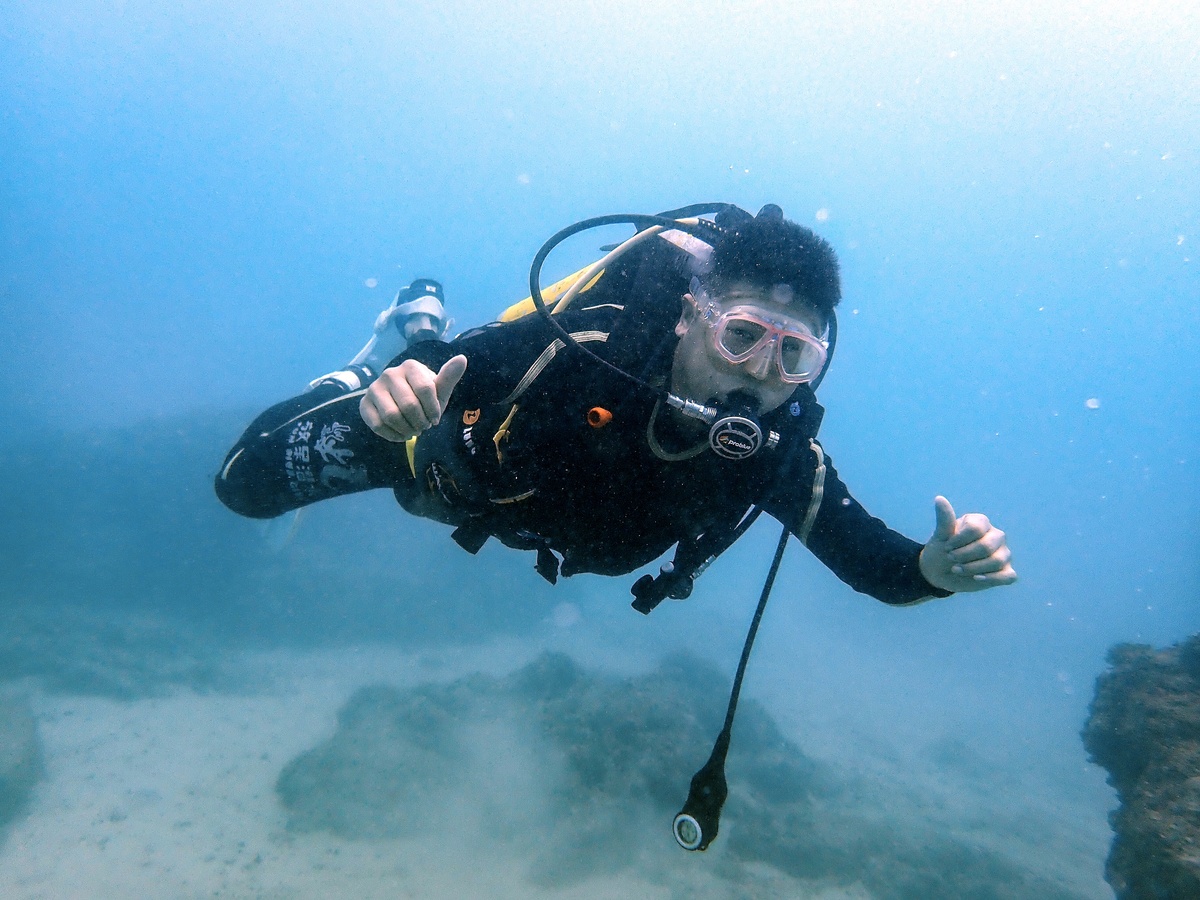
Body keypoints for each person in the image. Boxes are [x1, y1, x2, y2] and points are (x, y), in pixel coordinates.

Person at [215, 204, 1016, 610]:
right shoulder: (585, 348)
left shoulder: (773, 450)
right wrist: (395, 389)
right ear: (688, 315)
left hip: (512, 514)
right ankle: (398, 333)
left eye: (793, 355)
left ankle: (415, 327)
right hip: (433, 452)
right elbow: (468, 363)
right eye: (742, 335)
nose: (760, 375)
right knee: (243, 489)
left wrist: (932, 570)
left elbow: (873, 561)